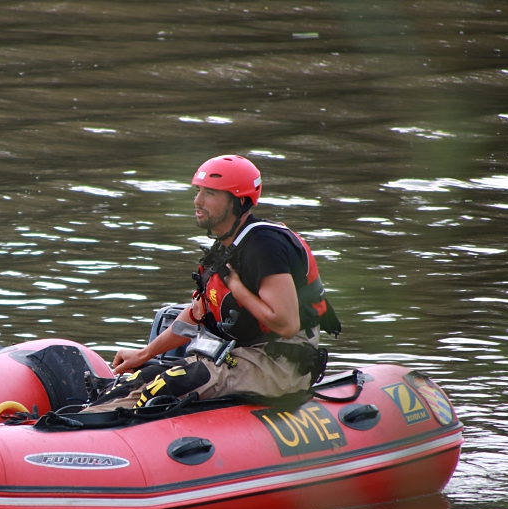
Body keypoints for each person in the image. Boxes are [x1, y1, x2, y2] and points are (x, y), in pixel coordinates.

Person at [85, 155, 341, 412]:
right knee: (134, 381)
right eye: (198, 191)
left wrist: (239, 289)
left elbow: (287, 325)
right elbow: (197, 313)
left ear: (239, 201)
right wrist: (144, 354)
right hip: (238, 355)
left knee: (165, 387)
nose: (198, 201)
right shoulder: (226, 249)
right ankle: (80, 426)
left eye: (210, 193)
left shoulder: (266, 246)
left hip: (278, 365)